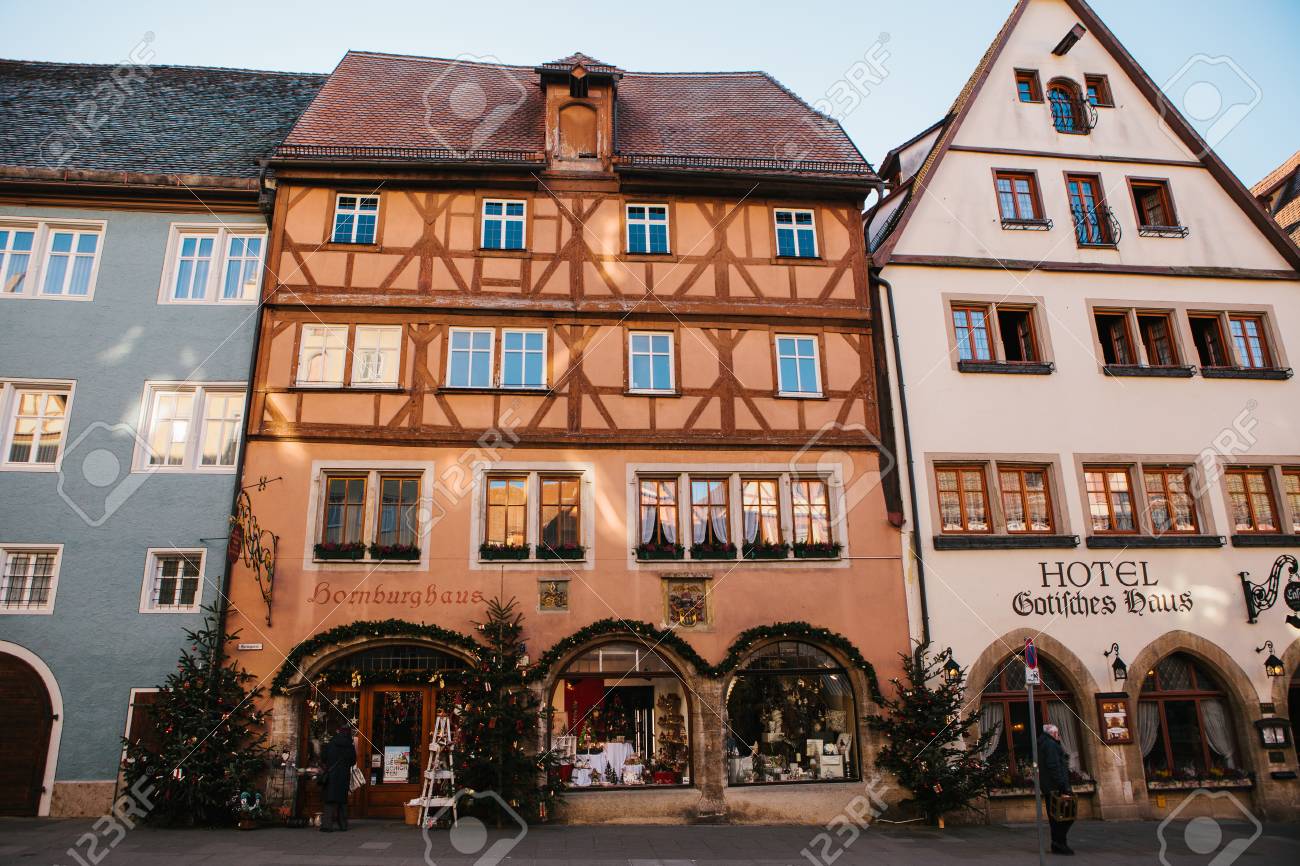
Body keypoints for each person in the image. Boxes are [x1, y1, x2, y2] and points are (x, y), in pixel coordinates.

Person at [1038, 723, 1074, 855]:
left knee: (1056, 816)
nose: (1059, 736)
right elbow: (1054, 766)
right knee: (1065, 816)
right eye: (1057, 733)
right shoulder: (1051, 745)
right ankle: (1060, 843)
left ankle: (1057, 843)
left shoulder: (1045, 744)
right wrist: (1063, 786)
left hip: (1049, 787)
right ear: (1053, 733)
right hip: (1055, 787)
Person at [320, 727, 357, 833]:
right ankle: (343, 825)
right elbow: (353, 761)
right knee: (342, 801)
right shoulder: (349, 746)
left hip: (331, 775)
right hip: (343, 776)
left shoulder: (331, 744)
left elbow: (323, 757)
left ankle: (327, 825)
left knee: (329, 800)